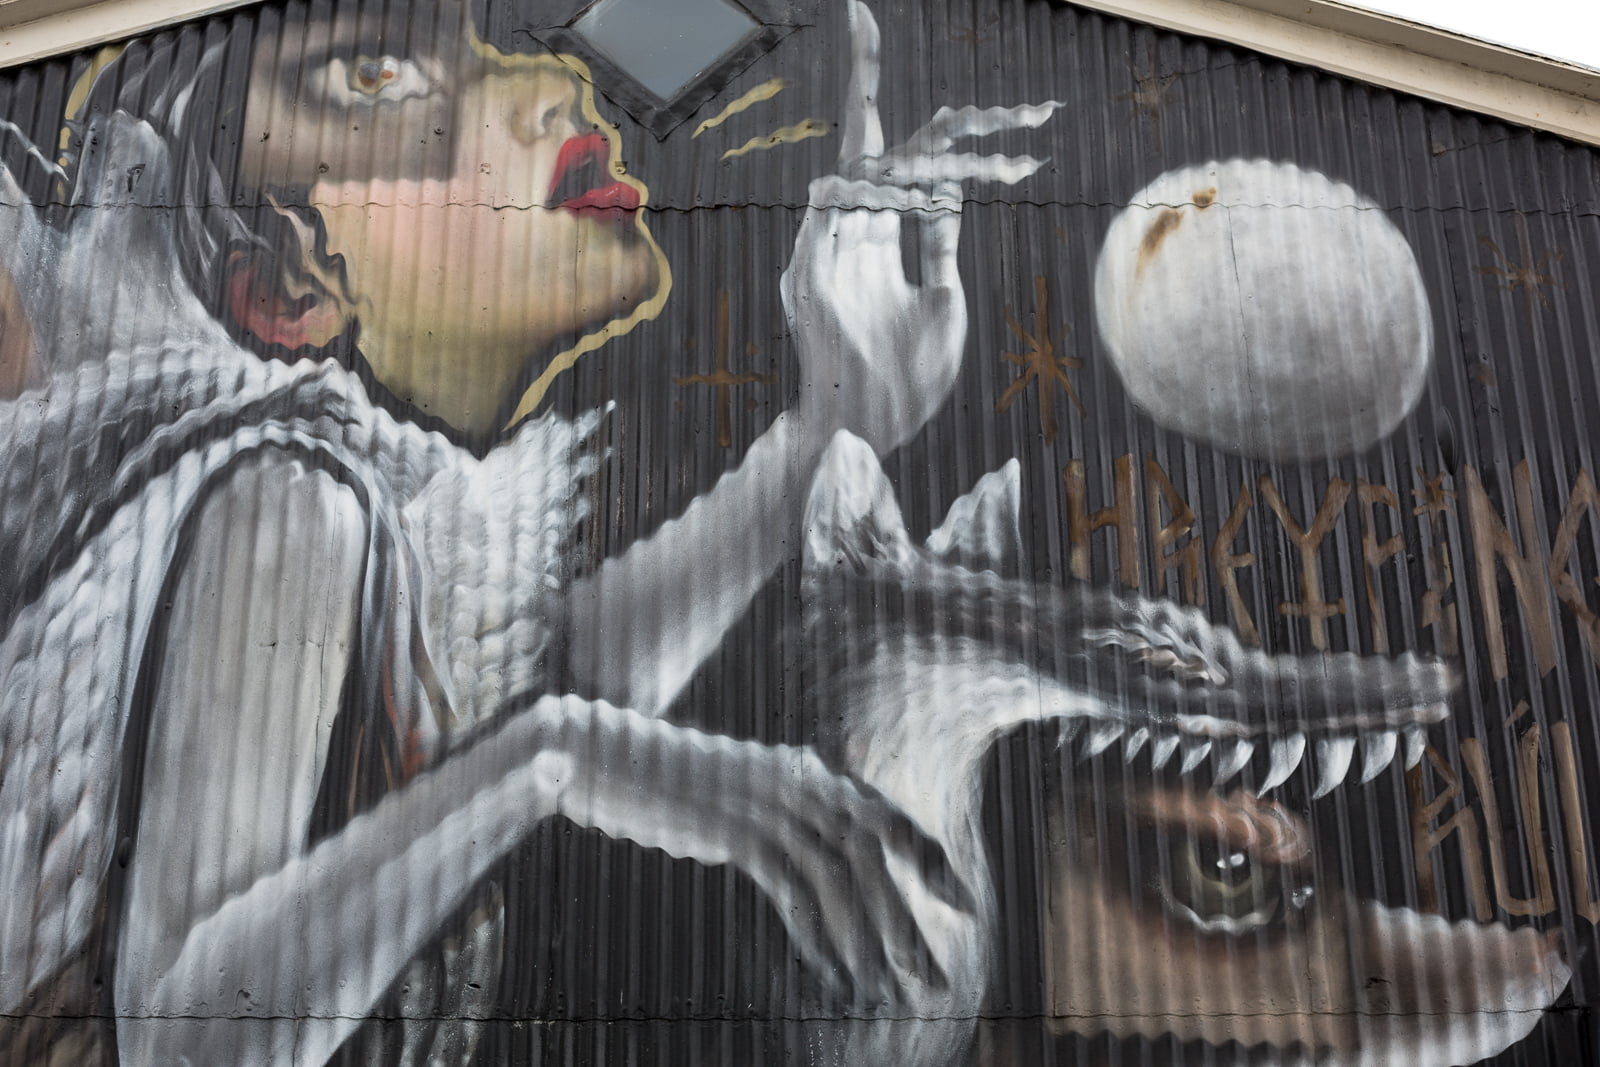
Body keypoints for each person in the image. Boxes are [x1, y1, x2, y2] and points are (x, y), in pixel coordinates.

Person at [0, 0, 1057, 1062]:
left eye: (488, 51)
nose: (555, 87)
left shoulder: (379, 519)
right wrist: (555, 757)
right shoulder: (287, 496)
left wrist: (831, 421)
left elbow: (560, 682)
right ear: (286, 291)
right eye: (373, 79)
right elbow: (183, 1039)